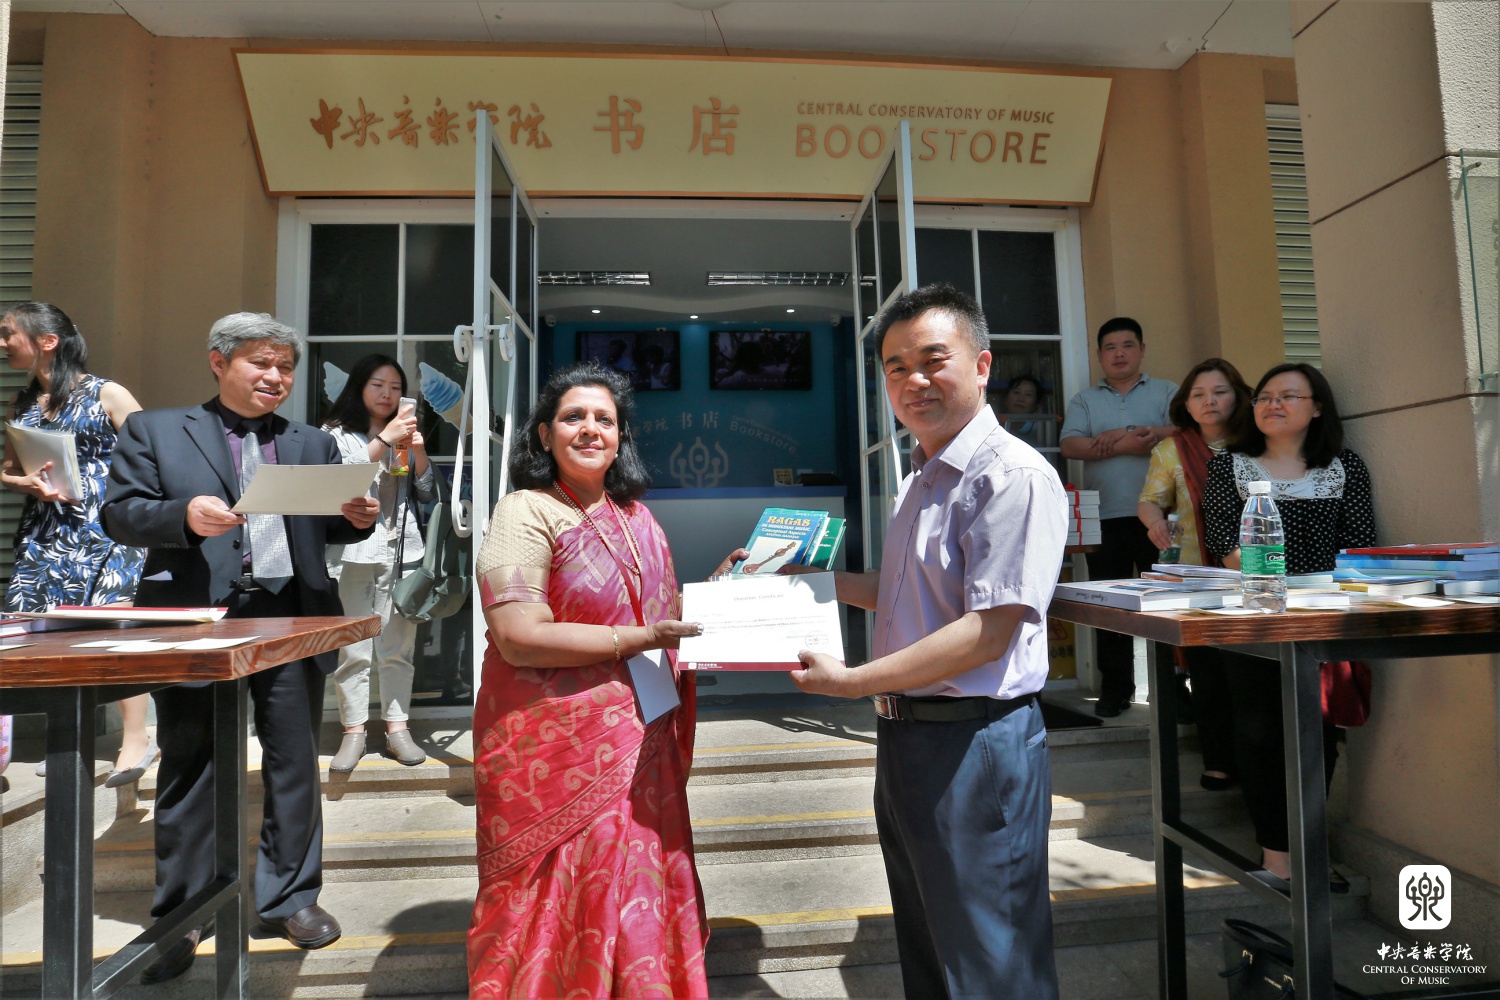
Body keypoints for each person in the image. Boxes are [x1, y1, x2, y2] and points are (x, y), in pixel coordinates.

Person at [787, 284, 1066, 999]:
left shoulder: (1009, 475)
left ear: (982, 365)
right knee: (932, 949)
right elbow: (911, 592)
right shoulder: (922, 477)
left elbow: (989, 630)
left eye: (933, 360)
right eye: (896, 367)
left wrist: (855, 680)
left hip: (976, 743)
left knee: (991, 963)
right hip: (910, 739)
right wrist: (811, 583)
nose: (914, 381)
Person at [101, 312, 379, 985]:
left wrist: (356, 520)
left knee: (293, 763)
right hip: (199, 619)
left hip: (292, 617)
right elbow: (119, 514)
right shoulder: (156, 430)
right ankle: (183, 912)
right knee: (191, 763)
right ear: (218, 362)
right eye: (261, 362)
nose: (276, 377)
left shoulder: (312, 441)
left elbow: (326, 530)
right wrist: (182, 517)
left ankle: (290, 899)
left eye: (286, 366)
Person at [468, 362, 712, 998]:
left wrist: (727, 592)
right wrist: (640, 638)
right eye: (573, 417)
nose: (590, 429)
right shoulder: (525, 511)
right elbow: (518, 634)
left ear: (620, 435)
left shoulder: (638, 518)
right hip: (550, 753)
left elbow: (658, 614)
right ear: (544, 434)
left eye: (605, 419)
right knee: (554, 901)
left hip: (642, 739)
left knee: (635, 889)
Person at [1202, 362, 1376, 887]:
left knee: (1318, 730)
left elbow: (1359, 543)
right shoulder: (1230, 466)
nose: (1272, 404)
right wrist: (1276, 583)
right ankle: (1275, 853)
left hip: (1322, 617)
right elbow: (1223, 542)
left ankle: (1309, 848)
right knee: (1258, 731)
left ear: (1317, 408)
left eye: (1289, 396)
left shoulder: (1343, 466)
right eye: (1264, 396)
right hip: (1252, 616)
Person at [0, 302, 154, 787]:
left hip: (108, 529)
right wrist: (25, 483)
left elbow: (155, 453)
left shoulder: (108, 393)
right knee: (47, 635)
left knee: (114, 630)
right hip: (48, 532)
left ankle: (136, 739)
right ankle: (70, 739)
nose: (2, 343)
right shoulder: (22, 403)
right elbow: (8, 469)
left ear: (47, 341)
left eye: (8, 333)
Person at [1137, 358, 1253, 791]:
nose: (1209, 401)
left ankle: (1256, 761)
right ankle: (1218, 761)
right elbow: (1150, 500)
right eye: (1199, 395)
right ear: (1185, 403)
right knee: (1206, 673)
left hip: (1252, 573)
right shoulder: (1171, 449)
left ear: (1239, 396)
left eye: (1219, 392)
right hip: (1197, 577)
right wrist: (1154, 523)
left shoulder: (1258, 442)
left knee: (1249, 671)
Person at [320, 354, 436, 772]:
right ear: (359, 387)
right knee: (352, 649)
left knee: (398, 647)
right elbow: (342, 481)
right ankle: (353, 731)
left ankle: (397, 728)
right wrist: (386, 438)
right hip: (350, 553)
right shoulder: (334, 434)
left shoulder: (403, 435)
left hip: (401, 550)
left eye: (395, 388)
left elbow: (425, 490)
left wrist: (417, 451)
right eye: (378, 385)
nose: (387, 394)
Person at [1059, 317, 1177, 717]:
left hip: (1161, 518)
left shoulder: (1166, 391)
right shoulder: (1085, 400)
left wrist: (1137, 433)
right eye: (1110, 347)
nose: (1119, 353)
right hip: (1104, 516)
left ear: (1142, 350)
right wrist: (1131, 442)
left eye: (1127, 345)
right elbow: (1070, 446)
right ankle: (1115, 689)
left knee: (1165, 607)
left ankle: (1172, 691)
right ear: (1099, 355)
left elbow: (1188, 430)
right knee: (1109, 608)